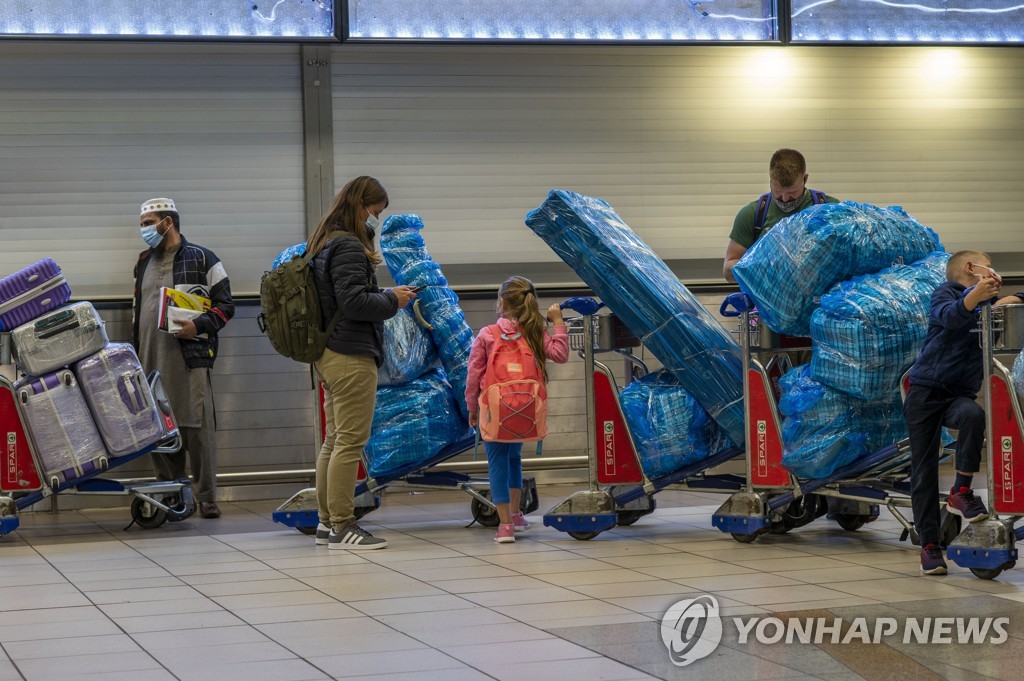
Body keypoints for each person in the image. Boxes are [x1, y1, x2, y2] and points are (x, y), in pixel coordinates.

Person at [307, 176, 417, 550]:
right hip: (350, 354)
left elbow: (341, 298)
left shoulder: (323, 241)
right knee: (350, 442)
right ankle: (341, 524)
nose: (377, 220)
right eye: (377, 212)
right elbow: (354, 303)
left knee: (334, 441)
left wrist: (381, 295)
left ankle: (325, 523)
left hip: (327, 353)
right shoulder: (349, 245)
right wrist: (392, 301)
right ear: (361, 206)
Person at [904, 250, 1024, 575]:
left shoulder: (985, 307)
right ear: (971, 268)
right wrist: (976, 296)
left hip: (958, 395)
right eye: (989, 266)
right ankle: (929, 546)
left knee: (973, 415)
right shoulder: (946, 293)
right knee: (924, 469)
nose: (994, 273)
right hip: (925, 393)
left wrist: (1008, 296)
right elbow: (952, 316)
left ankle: (961, 490)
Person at [133, 198, 234, 519]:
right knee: (160, 430)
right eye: (143, 224)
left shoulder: (204, 258)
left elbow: (226, 306)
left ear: (168, 222)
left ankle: (206, 497)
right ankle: (171, 492)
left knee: (197, 427)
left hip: (190, 358)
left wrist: (198, 325)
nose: (144, 230)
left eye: (149, 223)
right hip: (150, 358)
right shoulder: (143, 262)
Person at [465, 276, 569, 543]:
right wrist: (557, 322)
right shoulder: (535, 331)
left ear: (501, 302)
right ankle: (516, 514)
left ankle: (505, 526)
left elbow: (474, 375)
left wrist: (472, 407)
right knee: (513, 459)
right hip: (525, 412)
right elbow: (560, 354)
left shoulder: (488, 334)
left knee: (497, 463)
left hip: (496, 411)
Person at [723, 148, 839, 282]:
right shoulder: (752, 215)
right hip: (765, 299)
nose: (784, 199)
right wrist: (759, 268)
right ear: (770, 180)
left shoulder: (830, 209)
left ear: (805, 179)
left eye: (792, 192)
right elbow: (728, 269)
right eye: (778, 191)